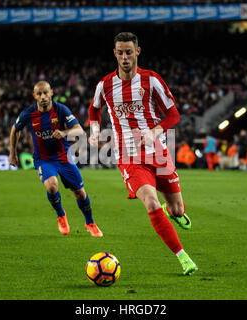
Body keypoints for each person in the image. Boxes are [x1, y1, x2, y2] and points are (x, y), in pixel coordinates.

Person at [88, 32, 197, 275]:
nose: (125, 57)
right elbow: (93, 108)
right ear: (114, 53)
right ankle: (183, 257)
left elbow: (173, 114)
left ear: (138, 51)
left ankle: (175, 212)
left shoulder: (151, 80)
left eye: (129, 52)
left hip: (157, 152)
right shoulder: (105, 85)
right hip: (128, 156)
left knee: (177, 209)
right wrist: (95, 130)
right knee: (150, 201)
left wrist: (156, 130)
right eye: (120, 52)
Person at [9, 81, 103, 237]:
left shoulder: (61, 110)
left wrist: (65, 133)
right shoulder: (29, 113)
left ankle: (90, 223)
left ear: (51, 92)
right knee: (52, 186)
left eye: (45, 93)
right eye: (39, 94)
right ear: (34, 96)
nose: (43, 97)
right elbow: (15, 130)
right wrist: (12, 152)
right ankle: (61, 216)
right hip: (43, 159)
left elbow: (79, 129)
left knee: (79, 192)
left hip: (63, 157)